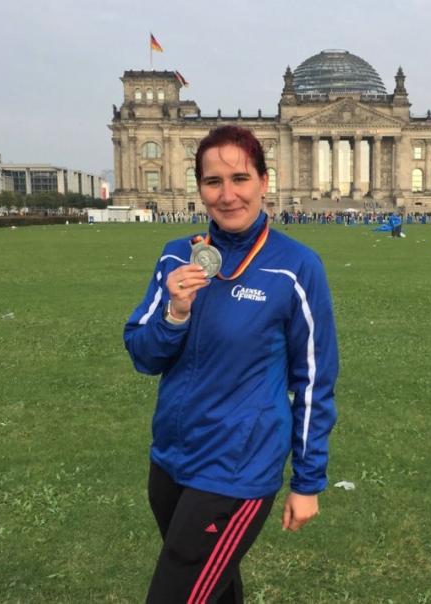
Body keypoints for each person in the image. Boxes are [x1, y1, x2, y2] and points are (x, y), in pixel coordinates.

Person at [124, 125, 339, 603]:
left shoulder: (296, 266)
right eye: (213, 181)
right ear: (199, 187)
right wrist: (174, 314)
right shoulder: (177, 255)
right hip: (171, 460)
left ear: (264, 181)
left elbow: (314, 381)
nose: (227, 195)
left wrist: (307, 481)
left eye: (240, 178)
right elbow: (143, 354)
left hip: (237, 469)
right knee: (216, 591)